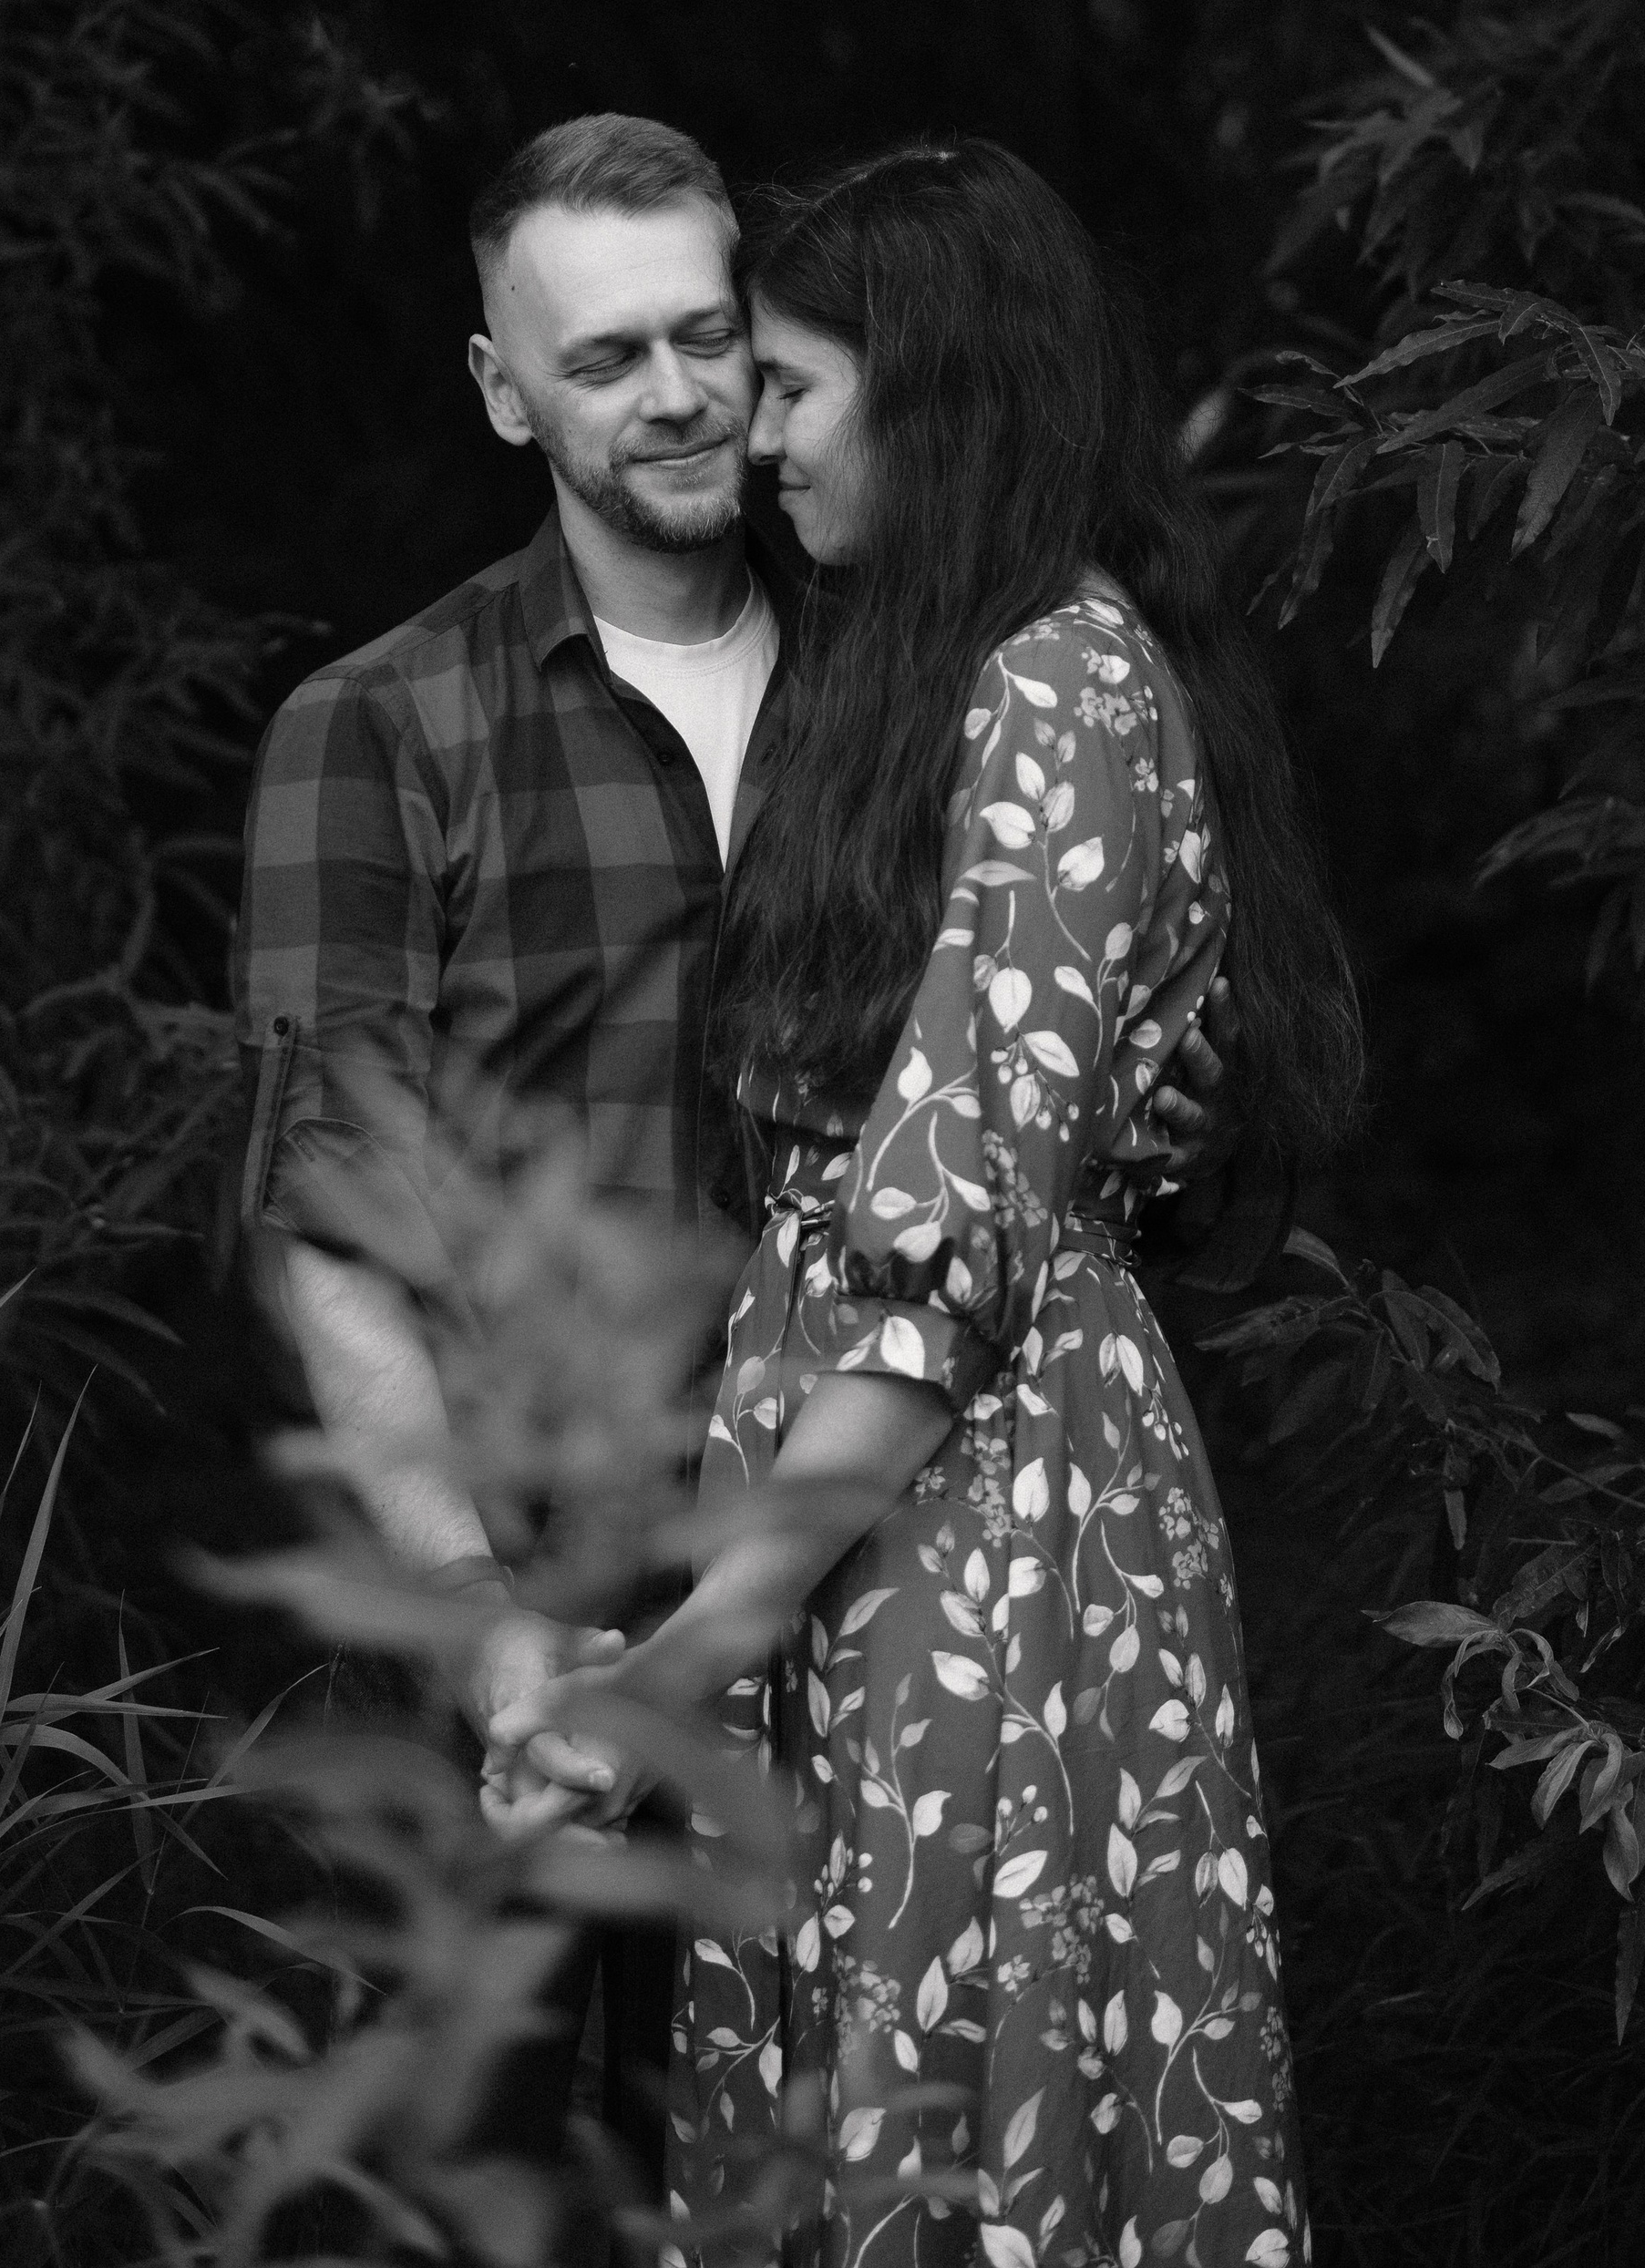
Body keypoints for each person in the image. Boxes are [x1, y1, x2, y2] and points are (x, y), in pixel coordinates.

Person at [231, 113, 1239, 2206]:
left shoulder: (926, 659)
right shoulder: (386, 724)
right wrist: (480, 1621)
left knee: (808, 2175)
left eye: (716, 340)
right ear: (504, 389)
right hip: (530, 1597)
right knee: (478, 2199)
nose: (687, 397)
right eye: (604, 359)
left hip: (859, 1567)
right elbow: (333, 1230)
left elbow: (1066, 1088)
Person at [495, 141, 1362, 2268]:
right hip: (863, 1503)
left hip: (977, 1508)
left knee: (958, 2085)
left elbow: (942, 1252)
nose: (755, 438)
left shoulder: (1058, 683)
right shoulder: (932, 671)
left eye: (792, 387)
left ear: (936, 394)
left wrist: (677, 1665)